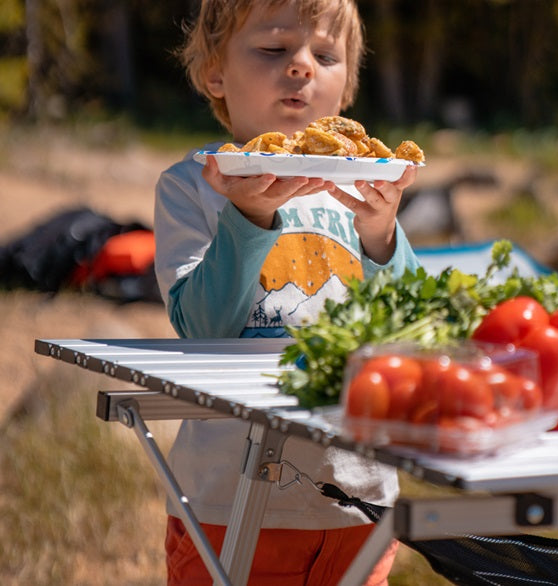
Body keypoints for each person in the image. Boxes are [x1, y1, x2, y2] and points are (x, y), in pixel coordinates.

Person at [154, 0, 423, 584]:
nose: (301, 65)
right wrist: (247, 216)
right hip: (230, 497)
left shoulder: (363, 193)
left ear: (346, 86)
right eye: (274, 49)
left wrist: (381, 237)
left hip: (360, 494)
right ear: (215, 75)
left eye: (325, 55)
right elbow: (204, 328)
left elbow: (407, 332)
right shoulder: (195, 188)